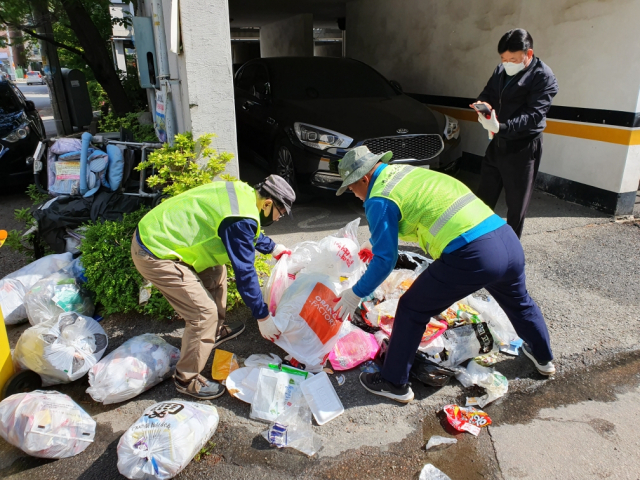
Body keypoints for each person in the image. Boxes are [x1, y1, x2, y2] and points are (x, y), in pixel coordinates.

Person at [333, 146, 554, 404]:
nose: (354, 194)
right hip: (505, 239)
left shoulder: (378, 197)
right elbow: (422, 210)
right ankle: (544, 358)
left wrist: (355, 293)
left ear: (364, 178)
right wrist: (376, 242)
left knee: (412, 307)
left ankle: (394, 382)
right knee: (519, 301)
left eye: (351, 188)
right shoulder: (403, 174)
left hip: (473, 254)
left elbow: (385, 260)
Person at [132, 175, 295, 399]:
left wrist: (273, 247)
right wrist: (262, 316)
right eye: (280, 213)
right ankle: (186, 379)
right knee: (203, 314)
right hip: (154, 251)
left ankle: (213, 333)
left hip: (166, 236)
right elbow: (245, 273)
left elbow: (246, 233)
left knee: (217, 271)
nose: (279, 219)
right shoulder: (241, 218)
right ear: (267, 204)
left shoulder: (245, 195)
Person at [472, 28, 558, 238]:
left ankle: (511, 253)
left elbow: (534, 115)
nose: (507, 63)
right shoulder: (500, 71)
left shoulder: (543, 76)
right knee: (482, 199)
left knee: (516, 206)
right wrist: (483, 108)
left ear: (528, 54)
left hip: (523, 147)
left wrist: (501, 127)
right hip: (498, 143)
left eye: (513, 58)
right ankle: (474, 243)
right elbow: (488, 93)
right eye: (503, 58)